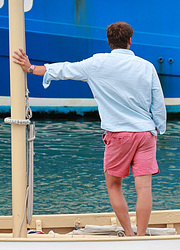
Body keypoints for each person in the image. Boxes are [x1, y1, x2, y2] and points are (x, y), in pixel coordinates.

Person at [12, 21, 166, 237]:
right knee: (144, 188)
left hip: (118, 134)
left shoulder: (97, 64)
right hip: (145, 133)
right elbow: (158, 103)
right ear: (130, 41)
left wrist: (30, 68)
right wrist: (158, 128)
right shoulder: (146, 67)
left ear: (109, 42)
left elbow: (65, 69)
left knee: (114, 185)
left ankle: (129, 235)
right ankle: (141, 236)